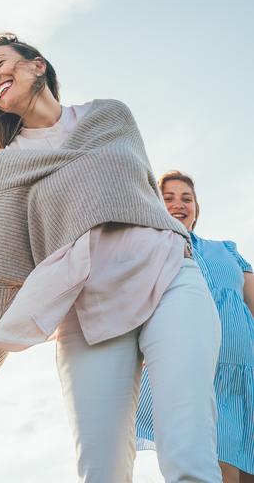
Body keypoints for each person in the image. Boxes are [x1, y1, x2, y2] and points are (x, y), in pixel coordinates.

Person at [0, 33, 222, 482]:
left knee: (187, 452)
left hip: (169, 279)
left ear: (37, 65)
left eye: (0, 64)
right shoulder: (9, 169)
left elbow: (129, 196)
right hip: (88, 313)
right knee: (101, 471)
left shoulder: (111, 117)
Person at [136, 170, 254, 483]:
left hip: (247, 375)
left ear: (196, 208)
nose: (179, 204)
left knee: (247, 470)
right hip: (201, 374)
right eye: (169, 198)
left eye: (186, 198)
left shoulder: (226, 250)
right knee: (216, 467)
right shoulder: (149, 252)